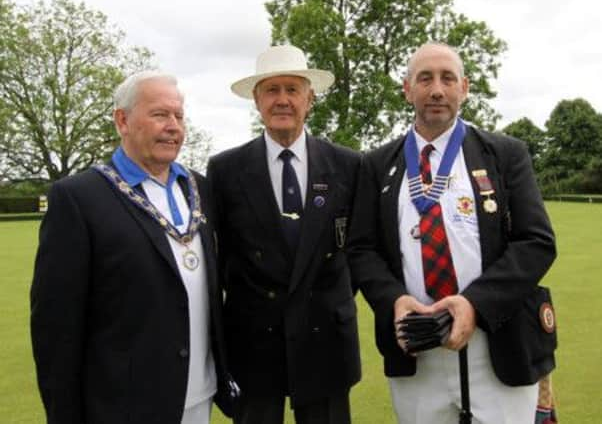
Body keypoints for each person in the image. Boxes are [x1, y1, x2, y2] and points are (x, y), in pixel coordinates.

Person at [347, 42, 557, 424]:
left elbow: (537, 242)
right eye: (425, 78)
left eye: (447, 78)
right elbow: (361, 249)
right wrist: (394, 300)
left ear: (465, 87)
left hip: (497, 348)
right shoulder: (376, 164)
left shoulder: (506, 153)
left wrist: (473, 304)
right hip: (416, 349)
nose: (437, 89)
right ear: (407, 89)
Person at [30, 71, 238, 424]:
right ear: (122, 120)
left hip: (199, 393)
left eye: (179, 116)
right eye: (160, 115)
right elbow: (55, 328)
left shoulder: (199, 188)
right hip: (124, 405)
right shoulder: (79, 198)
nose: (173, 126)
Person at [206, 45, 361, 424]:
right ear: (257, 101)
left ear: (309, 98)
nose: (282, 100)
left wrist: (325, 300)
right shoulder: (224, 170)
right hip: (254, 343)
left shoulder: (349, 165)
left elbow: (358, 252)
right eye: (272, 90)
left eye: (292, 89)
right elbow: (221, 257)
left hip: (326, 339)